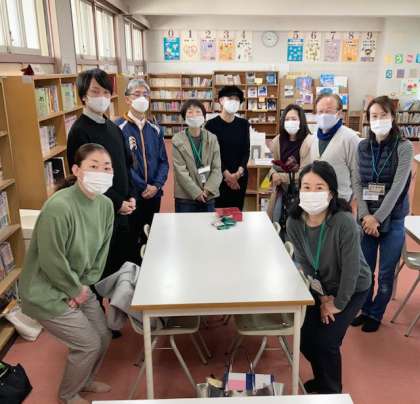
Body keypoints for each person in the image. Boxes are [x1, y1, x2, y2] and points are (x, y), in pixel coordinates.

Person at [20, 144, 115, 404]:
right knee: (88, 344)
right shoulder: (59, 206)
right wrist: (73, 290)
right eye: (93, 166)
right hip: (45, 291)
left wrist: (81, 288)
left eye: (107, 167)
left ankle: (84, 380)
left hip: (79, 286)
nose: (101, 172)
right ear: (76, 170)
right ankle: (68, 394)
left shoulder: (106, 205)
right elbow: (51, 259)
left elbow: (100, 254)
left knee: (103, 335)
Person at [286, 160, 371, 394]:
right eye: (306, 187)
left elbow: (352, 270)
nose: (312, 193)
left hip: (352, 287)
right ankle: (322, 378)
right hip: (320, 286)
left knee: (327, 341)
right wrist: (323, 297)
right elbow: (304, 263)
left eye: (319, 187)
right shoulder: (294, 221)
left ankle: (332, 391)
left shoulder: (344, 222)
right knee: (304, 337)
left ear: (331, 192)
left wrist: (337, 304)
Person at [67, 68, 135, 290]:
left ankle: (117, 307)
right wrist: (117, 202)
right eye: (95, 92)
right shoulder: (79, 131)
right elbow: (86, 178)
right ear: (83, 96)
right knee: (99, 269)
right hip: (97, 212)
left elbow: (125, 165)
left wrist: (130, 196)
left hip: (121, 210)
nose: (102, 97)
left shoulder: (113, 127)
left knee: (120, 264)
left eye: (106, 92)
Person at [351, 96, 413, 332]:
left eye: (383, 115)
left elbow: (398, 187)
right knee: (365, 269)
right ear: (368, 119)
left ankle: (376, 314)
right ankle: (365, 309)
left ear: (393, 117)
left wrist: (376, 218)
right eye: (374, 116)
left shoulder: (404, 147)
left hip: (393, 218)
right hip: (367, 217)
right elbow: (357, 182)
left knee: (386, 272)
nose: (378, 120)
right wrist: (366, 216)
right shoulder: (362, 146)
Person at [116, 79, 169, 264]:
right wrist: (142, 186)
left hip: (154, 194)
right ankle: (133, 271)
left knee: (153, 232)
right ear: (127, 99)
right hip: (133, 195)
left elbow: (164, 161)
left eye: (145, 95)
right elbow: (122, 165)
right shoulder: (118, 128)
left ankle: (152, 268)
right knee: (132, 237)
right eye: (137, 94)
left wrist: (156, 185)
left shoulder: (155, 128)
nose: (142, 98)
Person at [308, 94, 360, 202]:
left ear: (339, 113)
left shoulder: (350, 138)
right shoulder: (313, 138)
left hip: (341, 200)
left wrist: (354, 202)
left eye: (328, 111)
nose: (323, 115)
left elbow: (357, 174)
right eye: (320, 112)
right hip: (317, 200)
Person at [173, 99, 222, 212]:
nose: (194, 115)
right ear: (184, 117)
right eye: (190, 112)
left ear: (204, 117)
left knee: (208, 223)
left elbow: (217, 168)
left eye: (198, 111)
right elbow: (180, 171)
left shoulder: (212, 138)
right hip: (185, 197)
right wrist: (196, 193)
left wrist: (207, 190)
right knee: (185, 224)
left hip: (208, 195)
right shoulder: (177, 139)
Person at [205, 85, 250, 210]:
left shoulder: (243, 124)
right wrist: (227, 175)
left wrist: (239, 173)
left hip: (240, 177)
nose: (234, 102)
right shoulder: (211, 125)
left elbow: (246, 151)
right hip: (219, 177)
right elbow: (211, 154)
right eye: (230, 98)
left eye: (237, 99)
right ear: (221, 101)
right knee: (218, 215)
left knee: (236, 213)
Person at [267, 104, 312, 224]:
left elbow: (305, 173)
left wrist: (280, 177)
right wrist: (273, 174)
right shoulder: (277, 140)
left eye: (294, 119)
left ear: (301, 121)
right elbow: (272, 165)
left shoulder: (309, 142)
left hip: (301, 192)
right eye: (287, 119)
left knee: (297, 225)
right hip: (281, 191)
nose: (290, 122)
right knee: (276, 222)